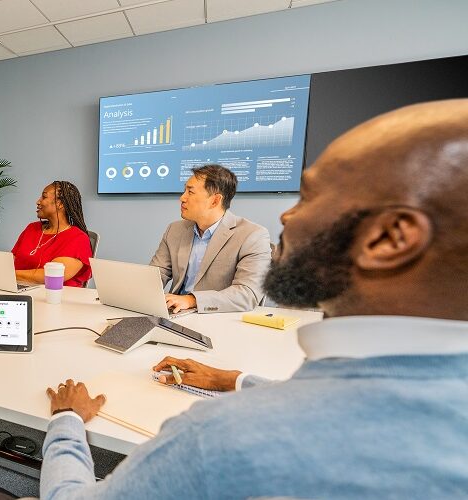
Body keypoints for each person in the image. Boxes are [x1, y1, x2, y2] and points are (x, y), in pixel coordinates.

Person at [32, 99, 468, 499]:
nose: (287, 213)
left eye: (310, 195)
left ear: (390, 237)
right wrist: (236, 381)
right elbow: (154, 274)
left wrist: (67, 420)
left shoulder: (219, 435)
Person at [149, 164, 271, 313]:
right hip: (175, 313)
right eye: (184, 190)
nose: (182, 197)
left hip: (217, 318)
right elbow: (155, 275)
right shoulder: (174, 230)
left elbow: (247, 294)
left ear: (215, 200)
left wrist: (192, 300)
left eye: (190, 192)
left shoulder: (252, 235)